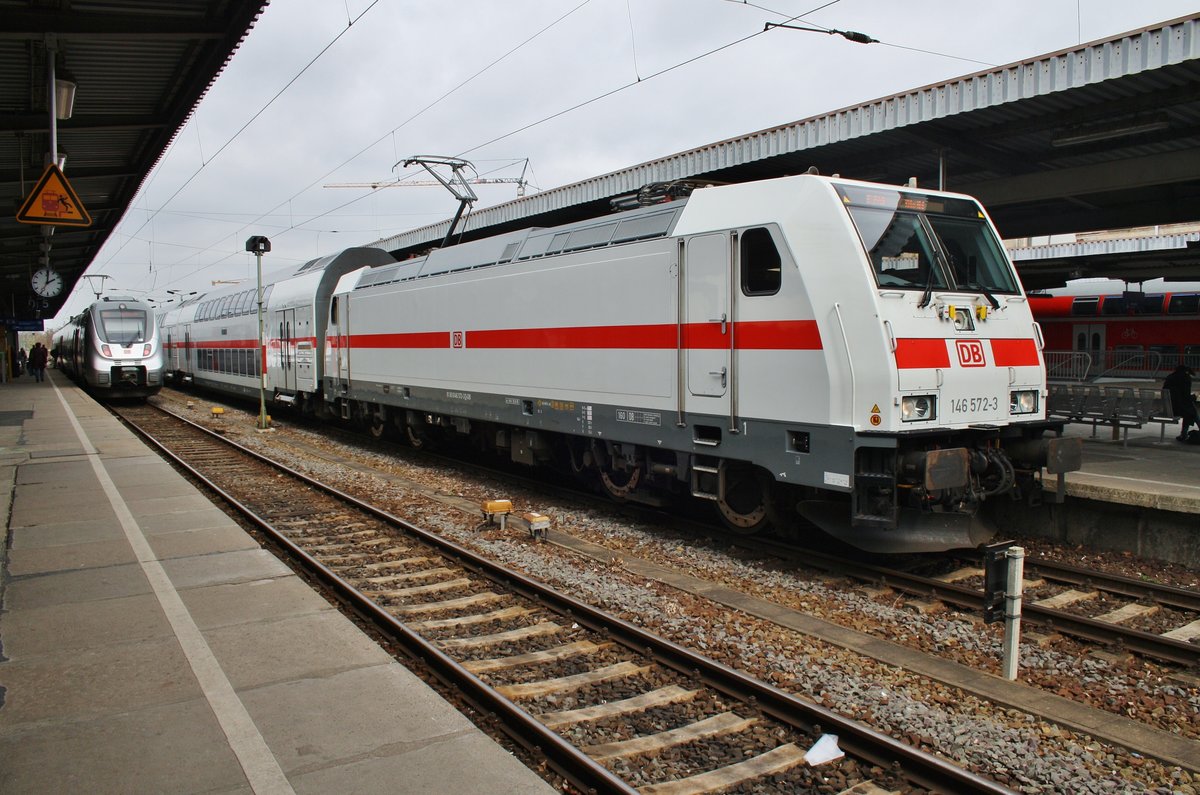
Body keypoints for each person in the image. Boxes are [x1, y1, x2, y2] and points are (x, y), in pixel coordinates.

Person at [1163, 364, 1197, 441]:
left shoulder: (1170, 377)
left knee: (1190, 409)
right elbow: (1186, 396)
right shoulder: (1186, 378)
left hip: (1169, 408)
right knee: (1191, 410)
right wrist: (1193, 397)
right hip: (1178, 409)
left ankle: (1183, 434)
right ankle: (1183, 434)